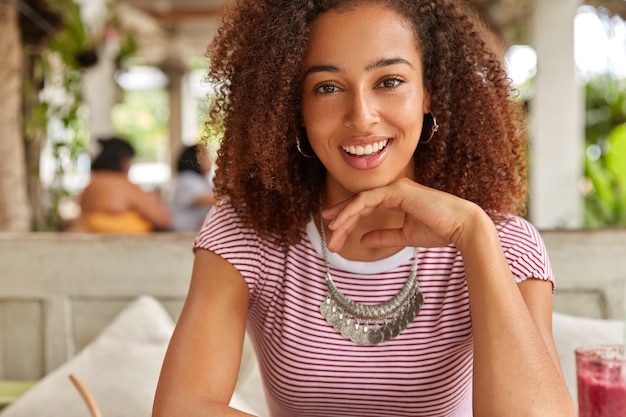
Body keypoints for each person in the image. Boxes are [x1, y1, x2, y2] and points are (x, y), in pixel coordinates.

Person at [153, 1, 576, 416]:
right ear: (295, 107)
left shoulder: (503, 242)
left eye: (389, 81)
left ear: (429, 93)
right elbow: (181, 408)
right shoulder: (246, 231)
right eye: (327, 87)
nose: (361, 116)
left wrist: (473, 233)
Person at [77, 137, 171, 233]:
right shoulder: (123, 186)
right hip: (127, 245)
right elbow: (164, 220)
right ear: (124, 159)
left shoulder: (90, 185)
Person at [169, 144, 216, 232]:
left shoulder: (202, 180)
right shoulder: (187, 178)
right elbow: (210, 199)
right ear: (194, 159)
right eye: (206, 156)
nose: (211, 160)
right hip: (181, 232)